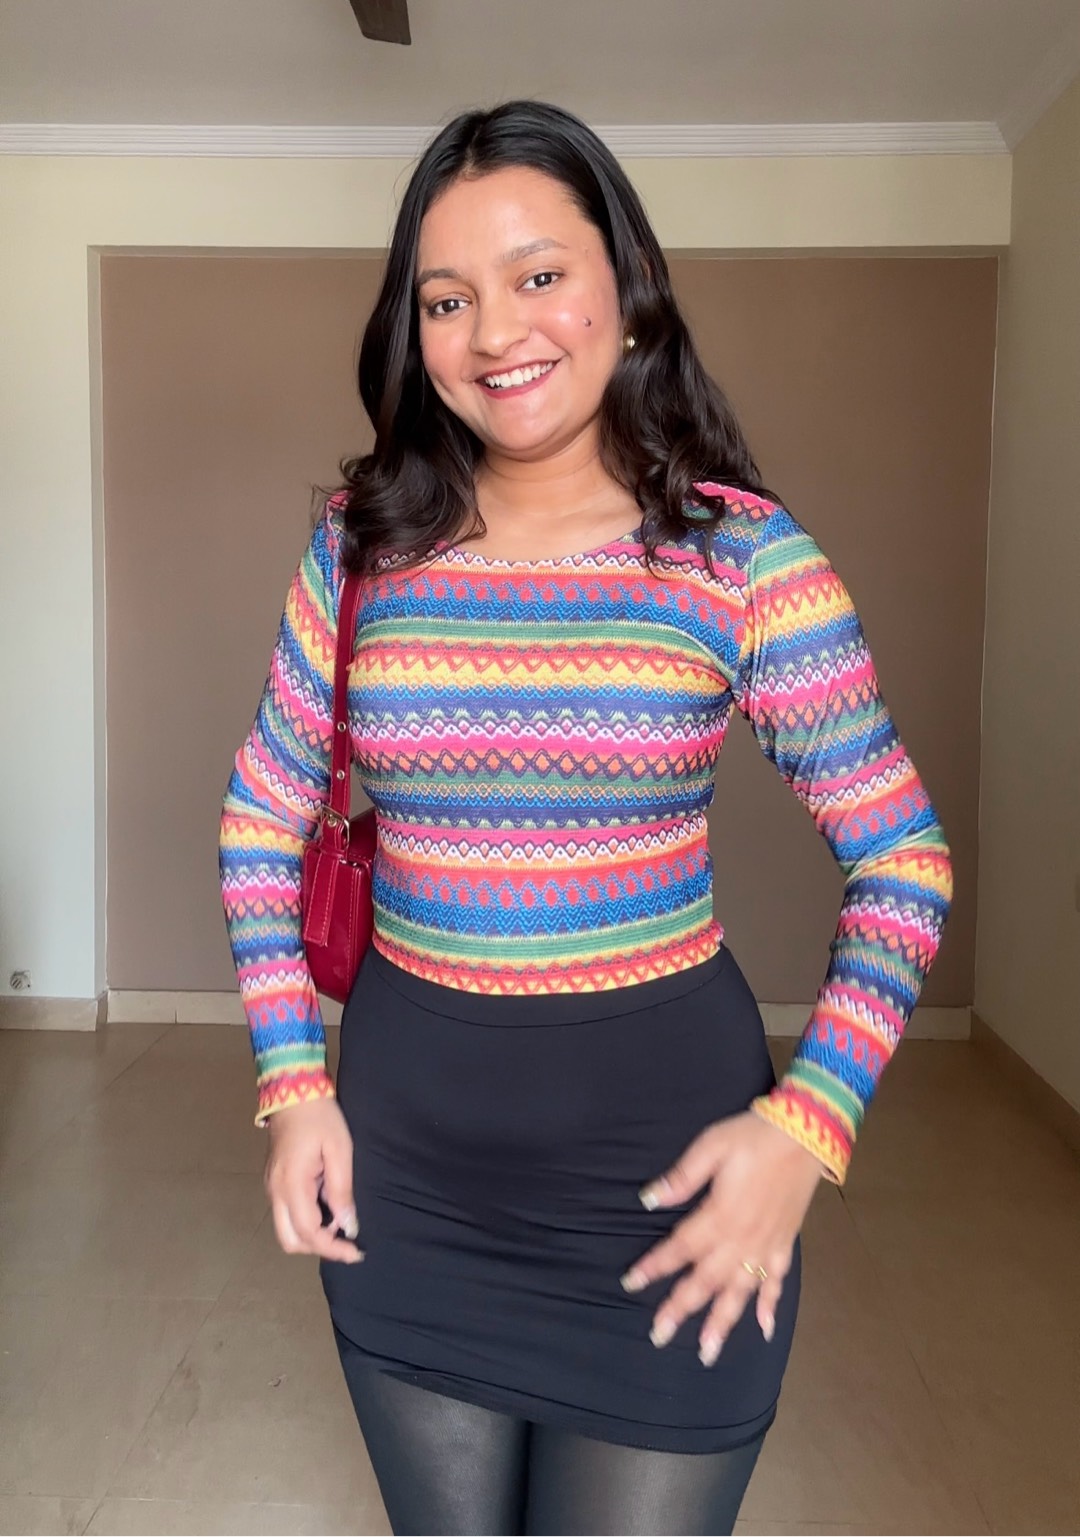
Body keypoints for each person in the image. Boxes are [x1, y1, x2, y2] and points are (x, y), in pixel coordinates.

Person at [219, 99, 953, 1536]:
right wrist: (293, 1084)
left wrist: (808, 1128)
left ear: (626, 283)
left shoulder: (744, 559)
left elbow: (902, 861)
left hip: (669, 1193)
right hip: (410, 1186)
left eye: (539, 274)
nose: (496, 332)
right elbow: (262, 815)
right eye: (448, 298)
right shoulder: (360, 549)